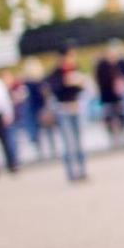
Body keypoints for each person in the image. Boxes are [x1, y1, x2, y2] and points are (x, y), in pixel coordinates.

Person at [47, 44, 88, 182]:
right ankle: (71, 172)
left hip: (76, 107)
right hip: (64, 109)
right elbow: (54, 90)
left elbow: (82, 88)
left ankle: (82, 170)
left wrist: (79, 84)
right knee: (68, 143)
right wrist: (65, 82)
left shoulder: (75, 69)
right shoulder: (56, 73)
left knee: (79, 141)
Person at [95, 40, 124, 147]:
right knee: (109, 118)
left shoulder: (120, 64)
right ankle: (112, 138)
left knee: (121, 117)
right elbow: (100, 81)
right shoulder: (102, 66)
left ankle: (122, 136)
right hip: (107, 97)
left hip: (119, 97)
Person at [22, 57, 58, 160]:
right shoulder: (41, 81)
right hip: (42, 106)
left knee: (35, 130)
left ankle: (40, 151)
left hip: (34, 107)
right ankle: (52, 150)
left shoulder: (28, 83)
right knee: (48, 130)